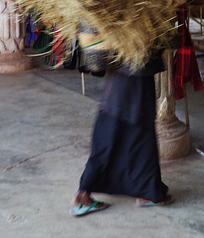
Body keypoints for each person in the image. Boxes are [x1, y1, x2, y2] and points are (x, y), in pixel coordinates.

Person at [70, 49, 174, 216]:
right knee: (116, 134)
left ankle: (148, 191)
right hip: (132, 69)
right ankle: (83, 194)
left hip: (128, 68)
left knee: (134, 134)